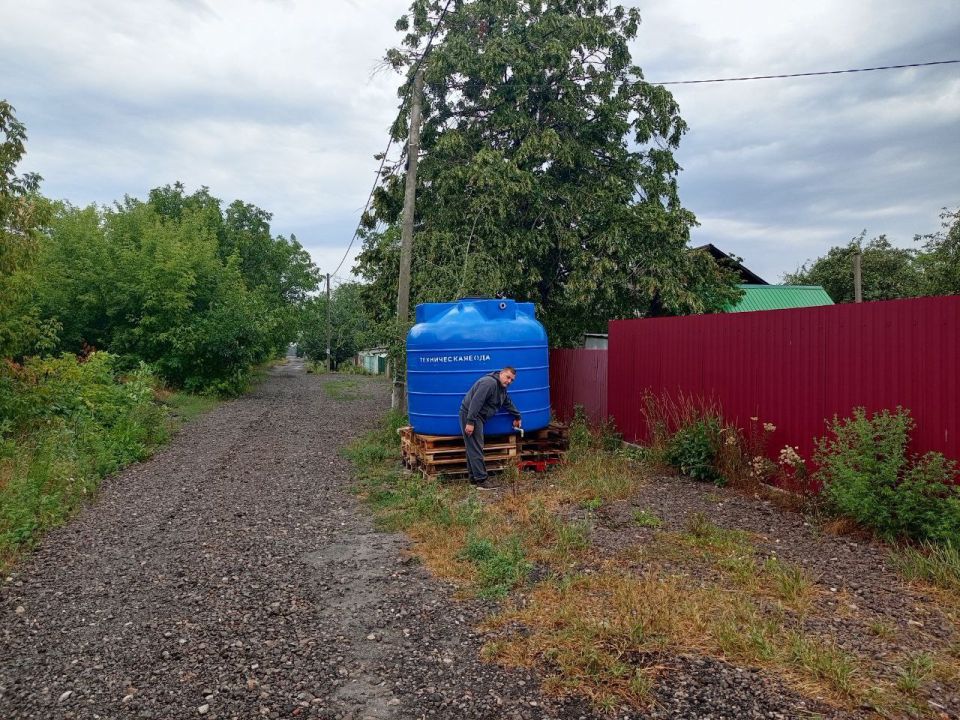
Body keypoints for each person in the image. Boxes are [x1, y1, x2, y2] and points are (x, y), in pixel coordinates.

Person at [459, 367, 522, 487]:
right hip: (471, 415)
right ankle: (481, 480)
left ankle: (474, 479)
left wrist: (517, 416)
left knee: (473, 447)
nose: (509, 381)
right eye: (508, 377)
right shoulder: (489, 383)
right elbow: (476, 401)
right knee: (476, 446)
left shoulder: (501, 388)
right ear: (501, 373)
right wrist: (470, 422)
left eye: (512, 380)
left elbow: (507, 402)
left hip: (477, 416)